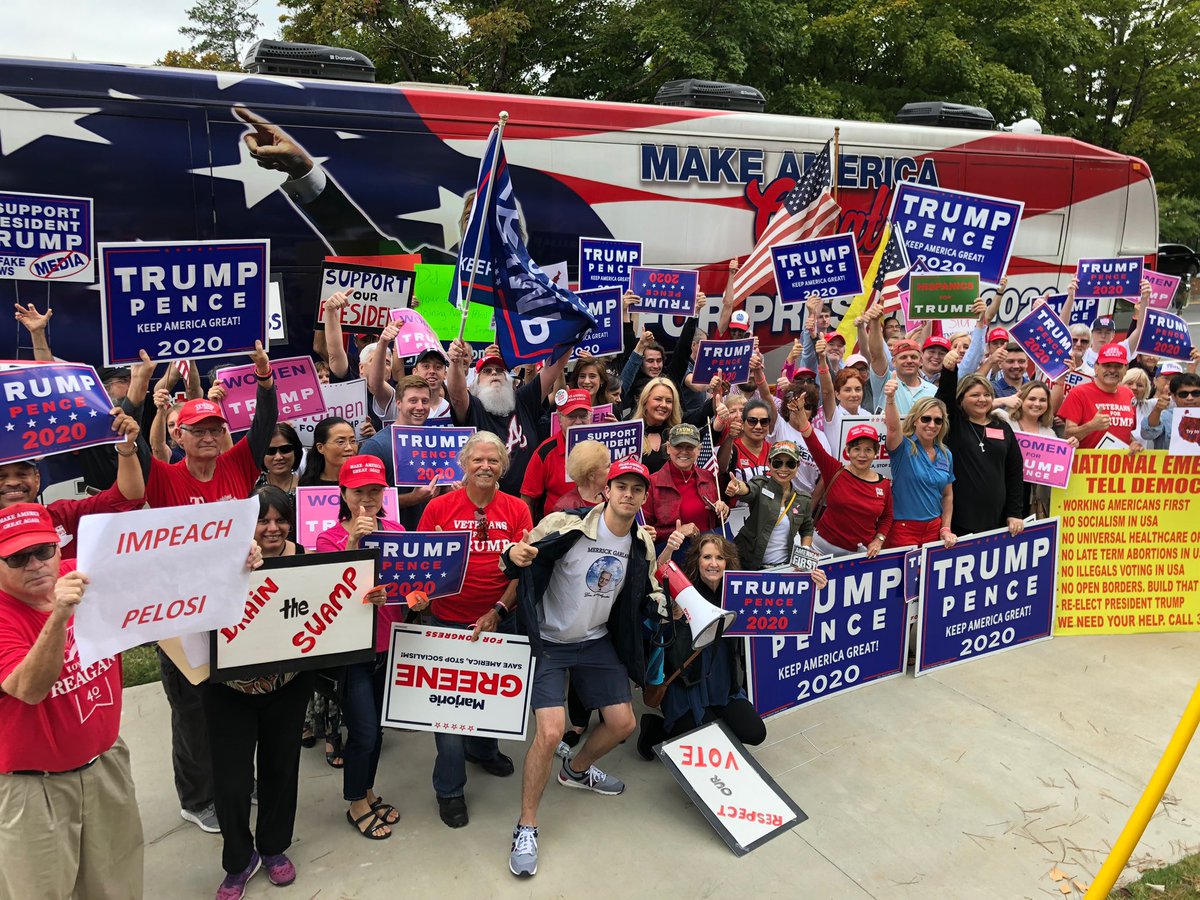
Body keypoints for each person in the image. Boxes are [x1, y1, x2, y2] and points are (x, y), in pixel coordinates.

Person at [501, 456, 668, 878]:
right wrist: (513, 553)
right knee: (551, 731)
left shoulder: (641, 543)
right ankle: (527, 825)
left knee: (623, 723)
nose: (628, 494)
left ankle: (575, 770)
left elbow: (644, 589)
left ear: (644, 497)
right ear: (605, 491)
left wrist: (668, 607)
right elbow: (520, 557)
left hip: (596, 643)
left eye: (637, 489)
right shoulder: (565, 524)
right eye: (621, 487)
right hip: (551, 643)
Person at [142, 341, 277, 834]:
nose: (208, 435)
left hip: (234, 607)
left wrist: (264, 380)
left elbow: (264, 430)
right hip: (180, 614)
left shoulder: (238, 466)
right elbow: (138, 448)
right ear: (179, 435)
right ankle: (197, 798)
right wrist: (147, 395)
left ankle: (239, 777)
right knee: (193, 709)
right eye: (197, 429)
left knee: (236, 700)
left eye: (215, 428)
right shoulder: (164, 478)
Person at [0, 503, 143, 900]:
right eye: (16, 557)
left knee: (118, 883)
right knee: (40, 891)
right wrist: (59, 615)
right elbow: (29, 688)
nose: (35, 564)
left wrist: (236, 559)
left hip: (104, 763)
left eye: (43, 550)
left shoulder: (82, 572)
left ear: (58, 546)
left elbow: (164, 567)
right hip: (35, 788)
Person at [203, 492, 319, 899]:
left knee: (280, 770)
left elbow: (328, 606)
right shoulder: (219, 559)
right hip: (228, 691)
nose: (272, 528)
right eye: (261, 521)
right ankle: (239, 860)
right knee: (231, 783)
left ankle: (273, 848)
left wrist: (364, 597)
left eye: (280, 520)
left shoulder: (306, 556)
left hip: (287, 686)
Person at [416, 431, 532, 828]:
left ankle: (483, 750)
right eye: (478, 460)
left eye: (494, 460)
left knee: (491, 701)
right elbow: (422, 565)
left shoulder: (517, 510)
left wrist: (499, 610)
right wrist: (420, 596)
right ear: (463, 464)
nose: (485, 466)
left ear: (503, 466)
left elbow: (522, 573)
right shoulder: (437, 508)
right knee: (448, 714)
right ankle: (449, 789)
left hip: (500, 619)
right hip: (447, 622)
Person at [315, 456, 405, 840]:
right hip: (352, 652)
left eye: (375, 491)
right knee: (364, 731)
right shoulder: (327, 539)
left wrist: (414, 598)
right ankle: (355, 803)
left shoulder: (398, 530)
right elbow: (328, 596)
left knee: (378, 729)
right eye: (359, 492)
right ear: (343, 494)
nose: (367, 500)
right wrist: (355, 542)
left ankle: (367, 792)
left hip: (388, 645)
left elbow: (408, 588)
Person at [637, 534, 782, 758]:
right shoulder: (681, 593)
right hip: (685, 687)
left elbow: (781, 599)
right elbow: (653, 581)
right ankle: (655, 729)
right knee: (707, 746)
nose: (713, 563)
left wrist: (810, 579)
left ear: (728, 562)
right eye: (707, 557)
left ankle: (711, 715)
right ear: (697, 560)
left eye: (720, 558)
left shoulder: (739, 593)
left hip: (723, 685)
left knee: (755, 733)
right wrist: (669, 616)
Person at [0, 407, 145, 559]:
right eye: (1, 476)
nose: (13, 482)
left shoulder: (64, 515)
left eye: (22, 474)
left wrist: (126, 447)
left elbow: (127, 497)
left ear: (37, 479)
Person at [447, 339, 569, 496]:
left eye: (499, 370)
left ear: (509, 380)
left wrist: (570, 336)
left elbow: (554, 368)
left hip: (528, 502)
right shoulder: (474, 408)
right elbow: (456, 395)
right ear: (475, 384)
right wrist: (455, 362)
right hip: (487, 502)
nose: (494, 373)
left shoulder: (523, 400)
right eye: (486, 371)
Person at [936, 350, 1026, 537]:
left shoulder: (1003, 427)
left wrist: (1015, 513)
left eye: (987, 395)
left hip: (998, 519)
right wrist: (949, 370)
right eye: (975, 395)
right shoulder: (955, 423)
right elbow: (944, 399)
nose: (982, 400)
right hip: (960, 519)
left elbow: (1014, 472)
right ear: (961, 399)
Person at [792, 403, 894, 558]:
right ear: (847, 451)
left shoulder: (884, 484)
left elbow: (887, 517)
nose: (862, 455)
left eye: (868, 450)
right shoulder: (834, 470)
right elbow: (813, 443)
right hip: (819, 549)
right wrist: (801, 417)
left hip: (857, 556)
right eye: (856, 449)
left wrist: (879, 539)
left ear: (876, 453)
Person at [358, 374, 447, 527]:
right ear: (398, 403)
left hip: (430, 536)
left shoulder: (439, 443)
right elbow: (363, 501)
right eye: (413, 401)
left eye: (425, 401)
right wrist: (413, 498)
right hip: (391, 539)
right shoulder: (376, 446)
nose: (420, 407)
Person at [882, 390, 956, 548]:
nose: (932, 425)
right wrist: (890, 398)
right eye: (926, 419)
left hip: (934, 529)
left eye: (938, 421)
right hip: (903, 530)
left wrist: (946, 527)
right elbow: (894, 428)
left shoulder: (945, 454)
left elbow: (947, 495)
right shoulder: (903, 447)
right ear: (915, 420)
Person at [725, 440, 815, 569]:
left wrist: (804, 552)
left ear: (797, 465)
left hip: (783, 567)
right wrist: (738, 487)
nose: (783, 469)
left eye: (790, 464)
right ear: (769, 463)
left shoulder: (803, 499)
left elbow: (807, 528)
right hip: (749, 565)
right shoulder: (761, 484)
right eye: (778, 463)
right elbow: (749, 490)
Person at [644, 424, 730, 556]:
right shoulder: (652, 483)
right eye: (678, 446)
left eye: (690, 447)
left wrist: (723, 510)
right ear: (668, 448)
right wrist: (677, 532)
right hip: (672, 559)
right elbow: (645, 532)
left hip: (707, 558)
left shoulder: (708, 477)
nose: (683, 451)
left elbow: (717, 522)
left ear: (699, 450)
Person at [997, 381, 1073, 519]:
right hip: (1000, 492)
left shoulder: (1049, 433)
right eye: (1032, 399)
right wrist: (1002, 400)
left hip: (1029, 499)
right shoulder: (1002, 418)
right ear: (1021, 399)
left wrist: (1071, 446)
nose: (1037, 404)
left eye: (1043, 400)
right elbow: (971, 410)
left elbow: (1057, 470)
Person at [521, 388, 593, 519]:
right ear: (559, 418)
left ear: (591, 417)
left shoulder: (604, 446)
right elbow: (527, 498)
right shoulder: (545, 451)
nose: (577, 422)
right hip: (556, 531)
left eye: (583, 416)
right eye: (571, 416)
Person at [1058, 343, 1142, 449]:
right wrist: (1091, 426)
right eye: (1107, 365)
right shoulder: (1078, 393)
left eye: (1118, 366)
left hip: (1118, 464)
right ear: (1096, 367)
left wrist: (1134, 443)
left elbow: (1126, 432)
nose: (1112, 370)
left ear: (1125, 369)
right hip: (1087, 464)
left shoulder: (1128, 394)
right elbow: (1068, 435)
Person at [632, 377, 682, 472]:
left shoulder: (678, 435)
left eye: (669, 401)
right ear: (645, 401)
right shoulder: (631, 434)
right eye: (658, 399)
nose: (663, 405)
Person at [718, 397, 772, 484]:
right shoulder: (731, 449)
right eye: (752, 421)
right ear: (742, 423)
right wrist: (730, 438)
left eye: (764, 421)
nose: (758, 426)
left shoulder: (774, 451)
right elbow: (721, 469)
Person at [1141, 372, 1200, 449]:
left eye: (1195, 393)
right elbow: (1147, 434)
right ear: (1173, 396)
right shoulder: (1164, 417)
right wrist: (1157, 410)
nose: (1190, 398)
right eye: (1183, 394)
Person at [299, 416, 358, 486]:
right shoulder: (308, 486)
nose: (349, 448)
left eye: (353, 441)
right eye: (340, 442)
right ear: (320, 447)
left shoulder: (365, 481)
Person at [555, 440, 612, 511]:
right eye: (608, 466)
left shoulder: (610, 496)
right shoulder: (566, 508)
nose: (612, 468)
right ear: (591, 476)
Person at [255, 423, 303, 496]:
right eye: (270, 451)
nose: (278, 457)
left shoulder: (309, 487)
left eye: (285, 449)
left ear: (296, 451)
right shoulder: (250, 487)